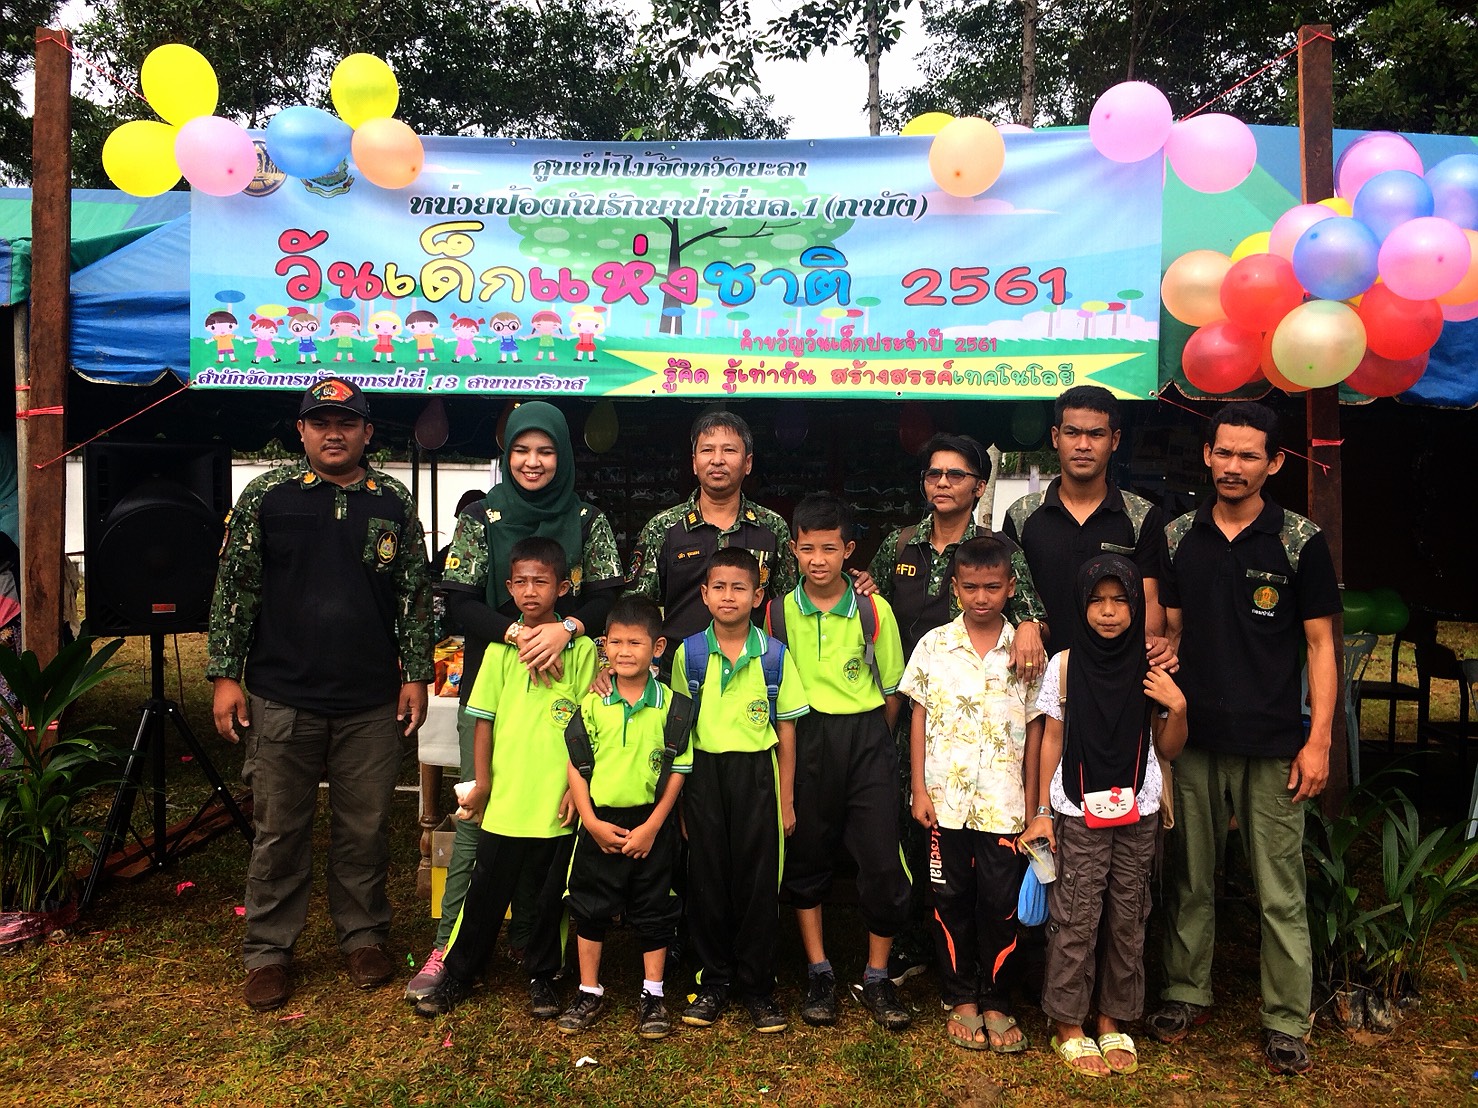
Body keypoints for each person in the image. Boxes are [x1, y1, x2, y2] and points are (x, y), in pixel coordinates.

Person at [207, 377, 432, 1012]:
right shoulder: (267, 496)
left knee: (365, 828)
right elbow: (235, 589)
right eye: (321, 422)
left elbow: (413, 595)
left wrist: (416, 673)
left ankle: (363, 936)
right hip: (282, 694)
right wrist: (225, 675)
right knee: (279, 829)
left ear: (367, 432)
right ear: (301, 430)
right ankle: (268, 950)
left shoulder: (392, 500)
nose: (334, 434)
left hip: (370, 700)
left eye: (347, 423)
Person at [1147, 402, 1340, 1077]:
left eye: (1248, 455)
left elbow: (1321, 646)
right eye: (1223, 452)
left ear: (1274, 462)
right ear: (1207, 455)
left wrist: (1319, 741)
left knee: (1279, 886)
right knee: (1191, 876)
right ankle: (1183, 992)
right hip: (1195, 735)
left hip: (1275, 742)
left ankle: (1285, 1018)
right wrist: (1160, 654)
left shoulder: (1299, 540)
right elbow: (1169, 630)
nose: (1233, 466)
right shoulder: (1178, 536)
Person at [408, 402, 622, 1001]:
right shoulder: (482, 516)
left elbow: (606, 595)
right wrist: (518, 634)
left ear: (563, 455)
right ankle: (450, 949)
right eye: (522, 450)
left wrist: (567, 630)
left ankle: (535, 952)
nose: (533, 461)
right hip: (497, 671)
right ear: (506, 454)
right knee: (478, 820)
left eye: (546, 450)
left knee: (553, 830)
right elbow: (458, 599)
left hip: (569, 667)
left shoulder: (587, 518)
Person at [853, 431, 1048, 982]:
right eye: (934, 474)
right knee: (910, 828)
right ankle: (915, 944)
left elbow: (1029, 609)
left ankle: (978, 959)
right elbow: (871, 608)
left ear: (978, 486)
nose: (942, 483)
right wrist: (861, 586)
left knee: (968, 844)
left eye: (955, 474)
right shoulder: (900, 545)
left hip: (977, 727)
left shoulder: (996, 549)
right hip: (909, 712)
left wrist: (1031, 624)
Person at [413, 537, 600, 1019]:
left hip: (556, 802)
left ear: (563, 587)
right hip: (506, 801)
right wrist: (483, 784)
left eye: (542, 582)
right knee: (484, 893)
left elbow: (586, 726)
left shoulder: (581, 652)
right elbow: (482, 721)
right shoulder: (498, 650)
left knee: (549, 897)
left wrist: (574, 788)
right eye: (521, 582)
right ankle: (460, 972)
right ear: (509, 587)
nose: (531, 591)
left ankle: (543, 976)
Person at [1022, 555, 1187, 1078]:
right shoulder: (1064, 666)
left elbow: (1170, 748)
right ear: (1081, 605)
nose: (1109, 612)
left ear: (1137, 606)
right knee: (1075, 914)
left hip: (1137, 808)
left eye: (1120, 601)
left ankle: (1112, 1017)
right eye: (1097, 601)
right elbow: (1051, 739)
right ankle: (1068, 1023)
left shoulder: (1152, 667)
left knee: (1128, 915)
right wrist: (1041, 812)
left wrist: (1178, 707)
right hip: (1076, 808)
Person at [766, 493, 911, 1031]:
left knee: (881, 858)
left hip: (866, 737)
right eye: (808, 549)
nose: (818, 560)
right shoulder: (776, 612)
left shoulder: (874, 609)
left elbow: (892, 690)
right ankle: (819, 970)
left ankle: (877, 975)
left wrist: (870, 739)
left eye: (830, 549)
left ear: (849, 550)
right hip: (804, 739)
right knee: (807, 852)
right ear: (794, 551)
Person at [898, 536, 1043, 1053]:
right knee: (949, 899)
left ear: (1011, 587)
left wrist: (1036, 808)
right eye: (972, 587)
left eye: (993, 587)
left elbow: (1037, 732)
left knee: (1000, 904)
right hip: (945, 803)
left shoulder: (1026, 654)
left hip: (1004, 805)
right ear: (955, 588)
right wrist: (919, 788)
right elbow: (917, 719)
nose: (982, 597)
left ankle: (997, 1000)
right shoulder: (934, 645)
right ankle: (961, 997)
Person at [673, 548, 806, 1033]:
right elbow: (679, 734)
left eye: (739, 588)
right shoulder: (688, 654)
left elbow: (786, 731)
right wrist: (682, 801)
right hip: (704, 777)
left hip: (757, 777)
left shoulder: (774, 656)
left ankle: (758, 987)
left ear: (758, 596)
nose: (728, 596)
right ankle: (713, 981)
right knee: (707, 880)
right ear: (704, 594)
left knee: (757, 884)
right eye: (719, 587)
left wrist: (785, 801)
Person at [556, 596, 691, 1039]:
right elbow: (576, 764)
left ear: (658, 648)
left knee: (654, 907)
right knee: (589, 905)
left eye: (636, 643)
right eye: (615, 642)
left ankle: (653, 994)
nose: (624, 652)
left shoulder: (673, 706)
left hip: (652, 823)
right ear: (604, 646)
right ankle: (588, 990)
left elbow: (678, 771)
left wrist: (653, 827)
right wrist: (591, 822)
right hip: (600, 820)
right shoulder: (593, 703)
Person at [1003, 386, 1170, 656]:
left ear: (1114, 440)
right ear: (1056, 437)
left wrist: (1143, 653)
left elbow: (1149, 601)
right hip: (1036, 670)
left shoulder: (1142, 516)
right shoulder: (1021, 515)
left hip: (1113, 670)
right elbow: (1008, 595)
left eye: (1096, 434)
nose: (1083, 445)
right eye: (1072, 433)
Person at [627, 411, 796, 674]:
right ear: (694, 463)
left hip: (753, 673)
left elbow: (789, 604)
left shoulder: (772, 528)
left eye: (729, 450)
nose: (717, 460)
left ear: (748, 463)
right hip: (679, 674)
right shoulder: (663, 527)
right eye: (707, 450)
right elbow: (636, 607)